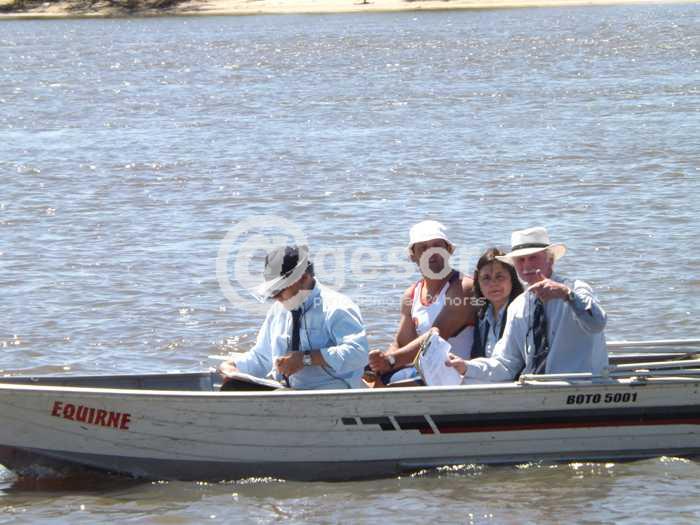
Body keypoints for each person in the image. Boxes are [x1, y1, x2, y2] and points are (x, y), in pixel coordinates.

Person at [447, 227, 607, 381]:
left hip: (581, 387)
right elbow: (506, 364)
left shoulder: (576, 289)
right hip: (538, 390)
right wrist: (466, 367)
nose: (526, 266)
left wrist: (566, 295)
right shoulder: (518, 306)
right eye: (520, 260)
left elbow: (597, 323)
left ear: (550, 260)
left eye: (533, 258)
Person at [218, 245, 369, 389]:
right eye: (271, 291)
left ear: (303, 278)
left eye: (279, 289)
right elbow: (262, 357)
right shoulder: (278, 310)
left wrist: (306, 358)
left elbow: (359, 353)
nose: (275, 297)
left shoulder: (337, 306)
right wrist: (234, 366)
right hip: (287, 392)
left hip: (332, 392)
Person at [367, 220, 476, 384]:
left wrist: (390, 361)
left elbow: (435, 337)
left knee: (391, 382)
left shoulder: (463, 287)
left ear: (448, 250)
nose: (431, 252)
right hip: (426, 373)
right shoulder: (411, 294)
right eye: (423, 248)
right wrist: (378, 364)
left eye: (437, 245)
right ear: (413, 255)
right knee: (368, 378)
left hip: (457, 375)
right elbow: (400, 343)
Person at [469, 247, 524, 359]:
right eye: (486, 278)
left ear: (512, 279)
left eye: (499, 277)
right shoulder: (481, 316)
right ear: (478, 282)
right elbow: (477, 357)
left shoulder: (522, 312)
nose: (493, 283)